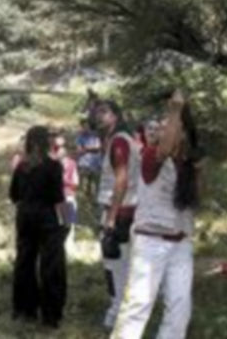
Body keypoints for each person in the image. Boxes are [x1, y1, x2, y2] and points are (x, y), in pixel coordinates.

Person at [111, 91, 200, 339]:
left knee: (180, 308)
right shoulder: (151, 155)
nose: (165, 131)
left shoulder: (189, 165)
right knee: (139, 305)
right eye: (162, 127)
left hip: (180, 242)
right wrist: (174, 111)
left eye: (172, 127)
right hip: (151, 241)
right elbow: (165, 150)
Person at [9, 126, 69, 329]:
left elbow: (13, 195)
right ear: (46, 142)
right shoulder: (53, 166)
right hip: (48, 218)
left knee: (24, 262)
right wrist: (67, 221)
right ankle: (51, 315)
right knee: (51, 265)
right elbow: (59, 198)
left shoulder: (21, 167)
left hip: (25, 216)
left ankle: (24, 310)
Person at [92, 100, 141, 331]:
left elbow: (121, 179)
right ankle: (124, 312)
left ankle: (117, 314)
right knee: (124, 264)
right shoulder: (121, 139)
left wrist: (110, 218)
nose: (99, 116)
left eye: (105, 112)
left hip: (120, 212)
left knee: (115, 265)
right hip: (127, 209)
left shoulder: (120, 141)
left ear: (116, 114)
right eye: (97, 112)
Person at [51, 133, 79, 254]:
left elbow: (76, 181)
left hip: (65, 196)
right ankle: (62, 248)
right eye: (57, 147)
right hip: (60, 197)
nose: (60, 150)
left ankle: (66, 248)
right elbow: (76, 182)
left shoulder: (69, 164)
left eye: (62, 147)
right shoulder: (53, 164)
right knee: (63, 224)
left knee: (66, 224)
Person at [75, 118, 102, 198]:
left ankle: (93, 201)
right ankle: (85, 201)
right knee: (84, 183)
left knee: (94, 184)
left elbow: (98, 148)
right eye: (83, 126)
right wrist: (89, 149)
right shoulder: (79, 137)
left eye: (86, 126)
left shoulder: (95, 136)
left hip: (95, 163)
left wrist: (86, 149)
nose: (84, 128)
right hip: (84, 163)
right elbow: (79, 150)